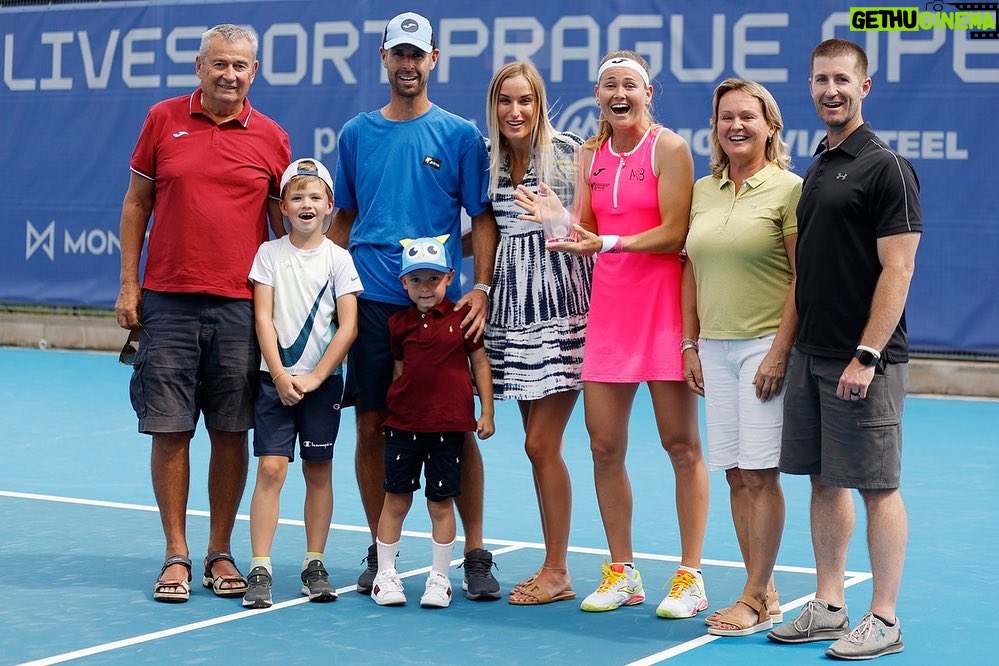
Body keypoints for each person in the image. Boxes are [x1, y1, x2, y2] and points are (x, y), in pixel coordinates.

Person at [115, 23, 291, 603]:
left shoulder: (271, 138)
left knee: (231, 429)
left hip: (242, 308)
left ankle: (219, 551)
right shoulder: (162, 119)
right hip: (167, 302)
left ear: (254, 72)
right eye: (219, 64)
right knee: (169, 429)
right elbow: (138, 202)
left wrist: (286, 304)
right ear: (199, 67)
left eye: (240, 65)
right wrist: (128, 285)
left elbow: (281, 230)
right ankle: (175, 553)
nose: (229, 74)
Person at [331, 11, 501, 600]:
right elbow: (344, 218)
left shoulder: (459, 136)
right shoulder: (355, 135)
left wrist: (478, 287)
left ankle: (474, 553)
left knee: (457, 429)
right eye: (398, 54)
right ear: (385, 58)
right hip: (375, 301)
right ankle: (383, 552)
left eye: (417, 54)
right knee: (372, 424)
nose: (408, 64)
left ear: (434, 59)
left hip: (444, 306)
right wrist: (329, 288)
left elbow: (481, 219)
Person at [766, 39, 921, 660]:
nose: (831, 90)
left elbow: (899, 269)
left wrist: (867, 354)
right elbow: (809, 271)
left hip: (864, 361)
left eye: (843, 80)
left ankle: (884, 617)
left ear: (865, 87)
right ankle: (830, 604)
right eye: (821, 79)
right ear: (809, 87)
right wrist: (790, 350)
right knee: (824, 482)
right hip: (812, 352)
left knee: (877, 485)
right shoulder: (821, 164)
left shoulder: (887, 167)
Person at [545, 50, 709, 618]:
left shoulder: (670, 148)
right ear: (598, 96)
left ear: (648, 93)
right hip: (609, 313)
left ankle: (690, 576)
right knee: (603, 445)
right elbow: (586, 230)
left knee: (681, 446)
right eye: (609, 85)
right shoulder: (589, 153)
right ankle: (622, 572)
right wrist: (554, 219)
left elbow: (674, 232)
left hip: (663, 310)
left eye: (630, 85)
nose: (620, 93)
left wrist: (608, 243)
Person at [679, 79, 801, 636]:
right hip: (714, 348)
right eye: (726, 117)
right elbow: (690, 270)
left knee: (759, 473)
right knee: (733, 474)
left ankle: (752, 598)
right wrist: (690, 343)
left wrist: (779, 352)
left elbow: (803, 278)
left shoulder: (790, 190)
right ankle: (765, 587)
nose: (736, 126)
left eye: (747, 117)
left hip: (764, 346)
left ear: (769, 125)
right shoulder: (704, 190)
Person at [481, 62, 593, 606]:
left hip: (564, 313)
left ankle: (556, 569)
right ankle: (557, 567)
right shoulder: (490, 159)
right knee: (537, 451)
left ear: (540, 103)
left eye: (525, 100)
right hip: (511, 315)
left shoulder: (568, 151)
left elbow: (584, 230)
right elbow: (485, 228)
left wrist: (557, 219)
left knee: (539, 442)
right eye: (506, 101)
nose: (515, 111)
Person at [241, 159, 362, 609]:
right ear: (283, 208)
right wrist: (279, 374)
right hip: (275, 383)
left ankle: (314, 563)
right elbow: (262, 317)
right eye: (296, 197)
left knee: (318, 471)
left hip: (323, 385)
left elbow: (347, 326)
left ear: (330, 205)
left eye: (315, 197)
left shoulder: (340, 259)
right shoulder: (269, 255)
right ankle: (260, 566)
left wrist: (314, 376)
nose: (306, 204)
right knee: (271, 469)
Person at [369, 236, 495, 608]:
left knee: (441, 504)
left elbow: (480, 364)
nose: (426, 288)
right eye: (416, 280)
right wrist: (395, 410)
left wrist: (486, 411)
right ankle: (385, 576)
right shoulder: (397, 324)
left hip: (449, 429)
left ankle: (439, 579)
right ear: (403, 283)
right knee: (395, 501)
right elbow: (399, 369)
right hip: (403, 428)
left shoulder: (463, 319)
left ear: (450, 277)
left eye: (434, 279)